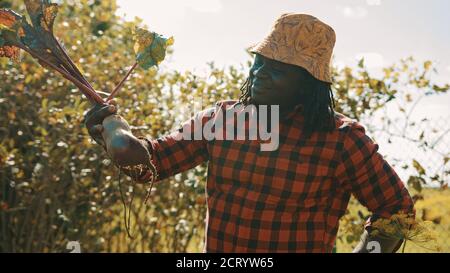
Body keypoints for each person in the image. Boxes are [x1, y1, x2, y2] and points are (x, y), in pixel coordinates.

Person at [85, 13, 415, 253]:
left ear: (309, 83)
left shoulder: (341, 140)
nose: (260, 74)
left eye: (278, 69)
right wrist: (112, 130)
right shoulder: (222, 120)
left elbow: (397, 211)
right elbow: (152, 164)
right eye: (259, 62)